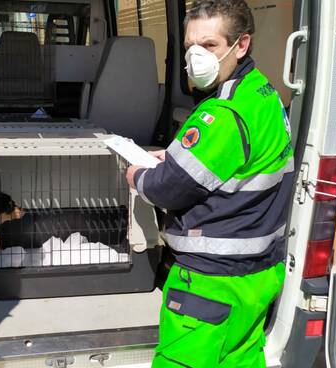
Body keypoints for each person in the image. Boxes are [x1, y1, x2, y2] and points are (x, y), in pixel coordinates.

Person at [125, 1, 294, 366]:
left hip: (210, 282)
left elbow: (167, 189)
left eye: (210, 46)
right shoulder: (263, 94)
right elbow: (232, 166)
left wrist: (138, 175)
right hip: (257, 274)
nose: (196, 56)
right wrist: (173, 161)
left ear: (242, 45)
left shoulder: (221, 114)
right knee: (241, 357)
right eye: (190, 47)